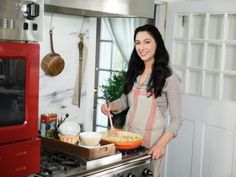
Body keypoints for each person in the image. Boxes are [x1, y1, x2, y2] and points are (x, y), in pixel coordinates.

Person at [101, 24, 182, 177]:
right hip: (126, 140)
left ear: (157, 44)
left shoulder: (169, 78)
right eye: (137, 43)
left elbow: (177, 120)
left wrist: (160, 144)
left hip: (151, 146)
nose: (141, 47)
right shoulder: (134, 72)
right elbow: (125, 101)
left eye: (147, 42)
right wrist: (110, 105)